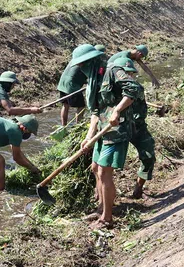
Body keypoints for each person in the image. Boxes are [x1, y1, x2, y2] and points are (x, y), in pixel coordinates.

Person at [74, 44, 136, 229]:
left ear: (91, 61)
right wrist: (88, 136)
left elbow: (134, 89)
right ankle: (102, 208)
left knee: (104, 171)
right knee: (95, 168)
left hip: (117, 130)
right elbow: (95, 111)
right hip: (102, 129)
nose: (80, 69)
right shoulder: (92, 81)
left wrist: (117, 110)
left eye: (82, 65)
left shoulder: (112, 70)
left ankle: (107, 218)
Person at [113, 57, 155, 199]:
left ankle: (138, 190)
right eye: (126, 73)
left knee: (149, 155)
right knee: (106, 165)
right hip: (118, 129)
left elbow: (142, 107)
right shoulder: (111, 93)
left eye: (131, 73)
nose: (129, 77)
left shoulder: (136, 88)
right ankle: (104, 197)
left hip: (138, 127)